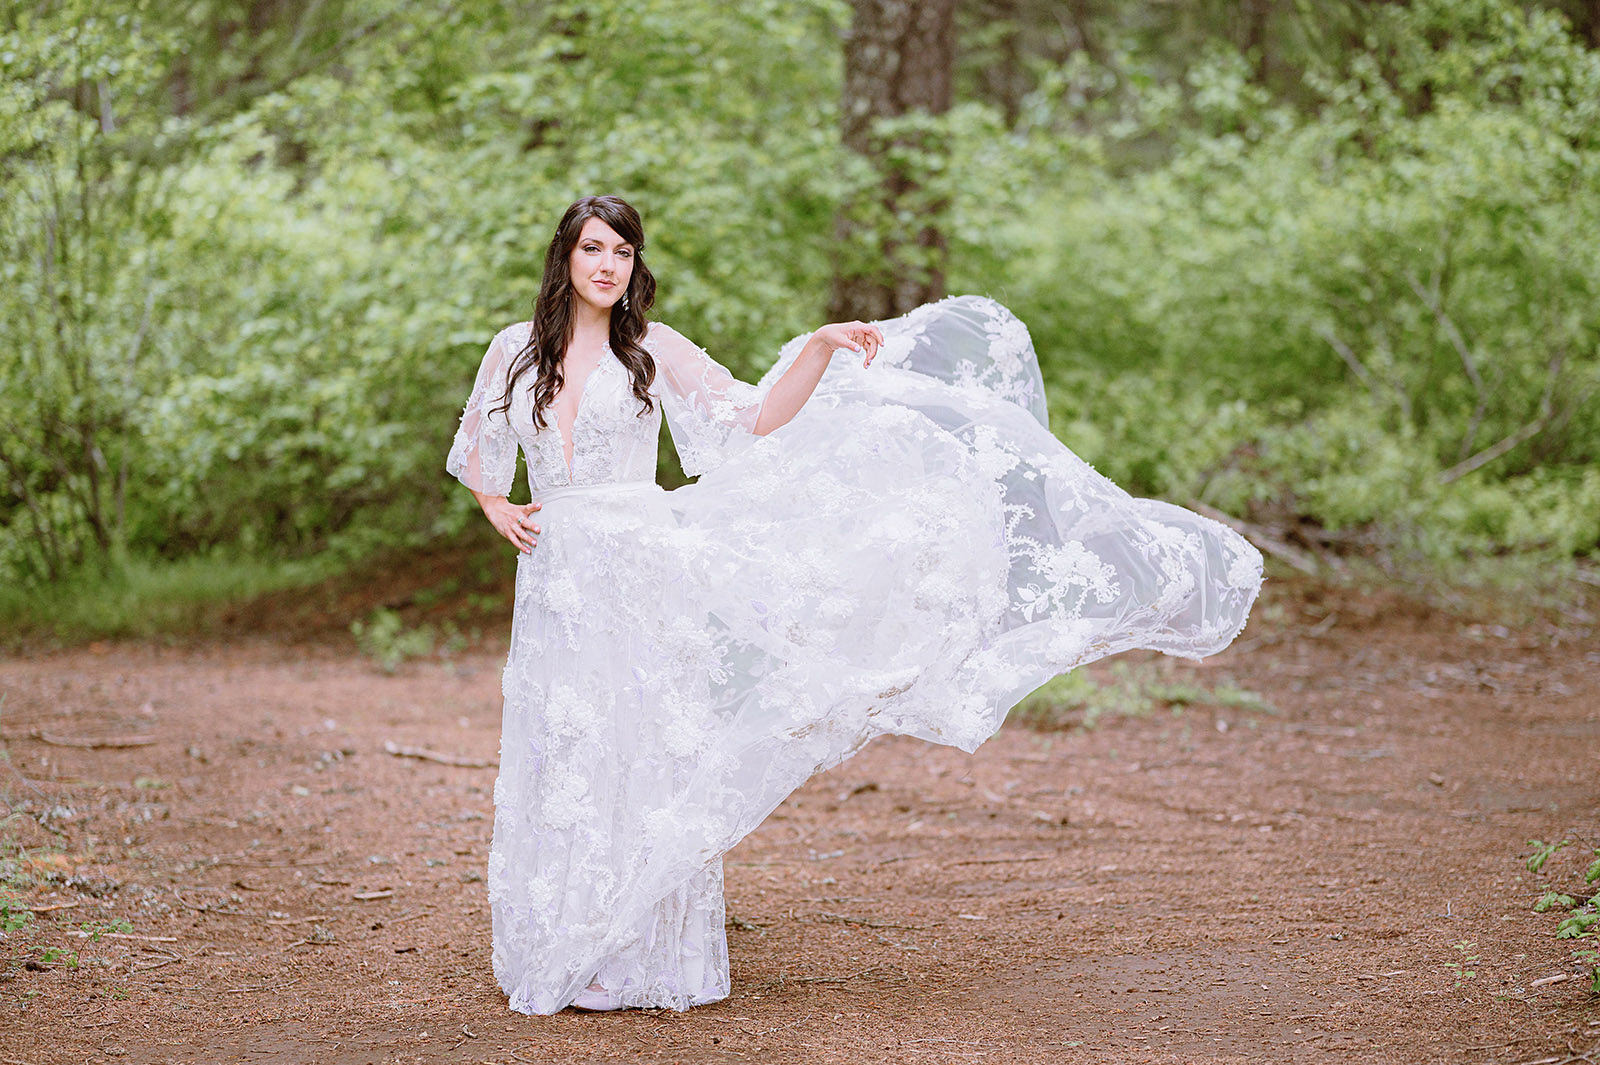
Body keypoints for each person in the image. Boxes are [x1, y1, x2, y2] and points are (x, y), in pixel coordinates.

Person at [446, 194, 1264, 1015]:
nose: (607, 265)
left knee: (644, 746)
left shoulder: (653, 351)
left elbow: (753, 417)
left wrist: (818, 347)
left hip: (640, 565)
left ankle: (628, 949)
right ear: (567, 257)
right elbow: (483, 450)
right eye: (593, 248)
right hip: (559, 579)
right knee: (567, 749)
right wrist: (498, 506)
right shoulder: (515, 352)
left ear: (635, 268)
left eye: (622, 253)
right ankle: (562, 934)